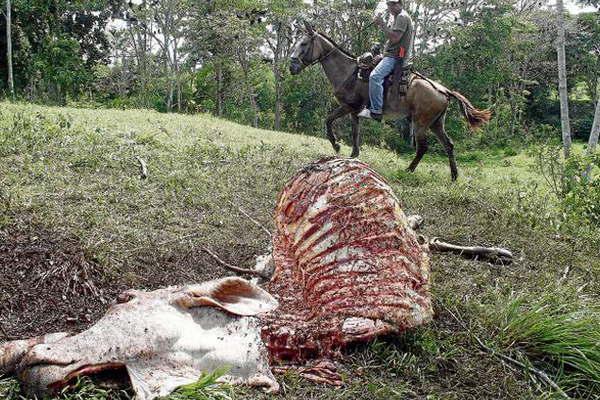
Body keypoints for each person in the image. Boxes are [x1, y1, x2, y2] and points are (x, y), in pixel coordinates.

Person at [358, 0, 414, 121]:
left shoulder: (402, 17)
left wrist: (382, 24)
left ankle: (376, 110)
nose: (390, 7)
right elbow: (392, 41)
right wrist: (383, 55)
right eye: (388, 4)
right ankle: (366, 104)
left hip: (396, 57)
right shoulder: (395, 17)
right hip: (390, 54)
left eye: (393, 4)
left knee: (375, 76)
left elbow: (394, 38)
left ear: (400, 4)